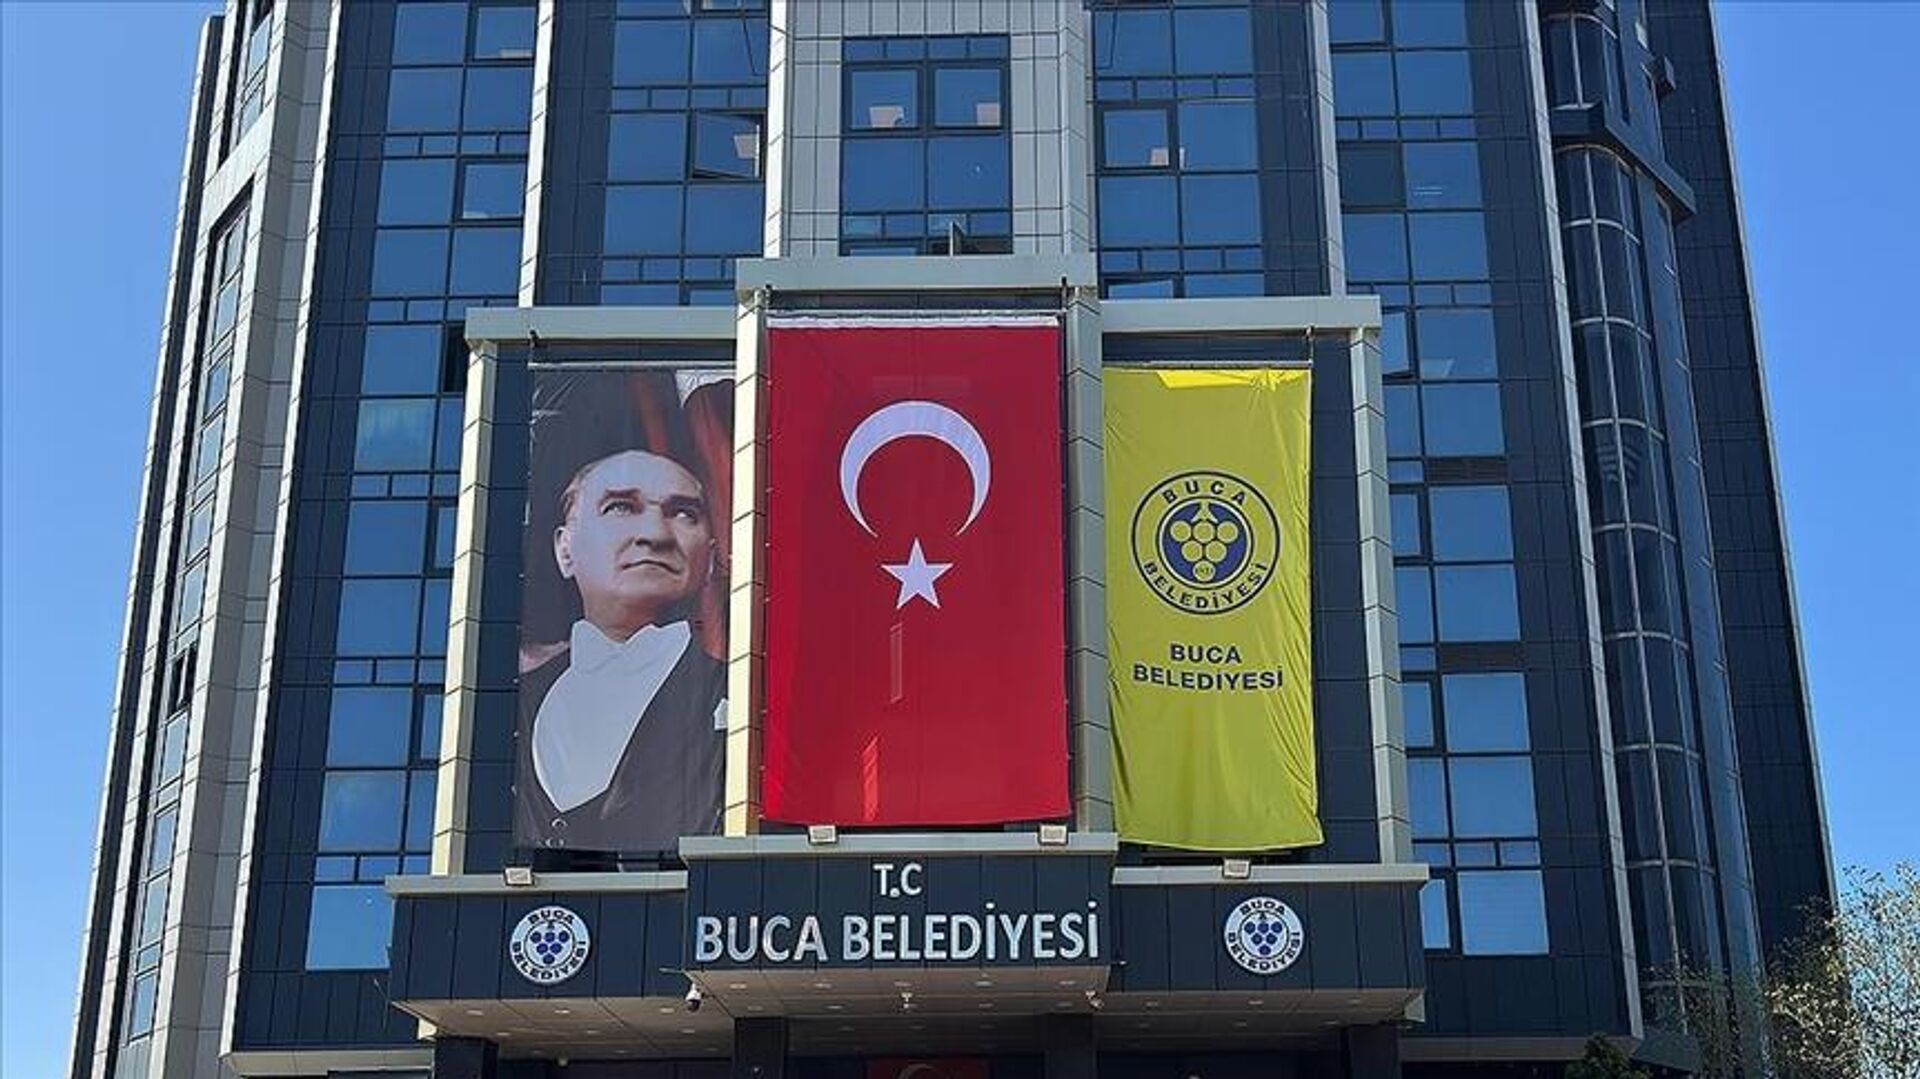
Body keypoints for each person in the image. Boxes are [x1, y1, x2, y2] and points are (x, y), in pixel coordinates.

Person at [516, 448, 727, 852]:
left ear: (711, 560)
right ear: (565, 550)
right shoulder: (520, 699)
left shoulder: (737, 696)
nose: (656, 535)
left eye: (684, 513)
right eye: (620, 507)